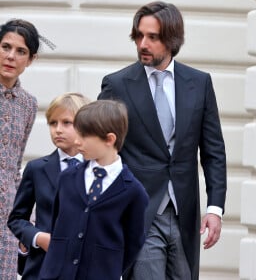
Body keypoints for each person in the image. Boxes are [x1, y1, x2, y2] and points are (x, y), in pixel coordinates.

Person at [97, 1, 227, 280]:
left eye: (153, 37)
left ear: (172, 39)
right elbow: (100, 147)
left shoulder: (199, 83)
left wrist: (215, 208)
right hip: (139, 213)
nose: (143, 44)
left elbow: (213, 151)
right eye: (139, 36)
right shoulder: (117, 84)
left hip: (185, 215)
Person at [38, 99, 149, 280]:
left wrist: (108, 269)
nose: (76, 140)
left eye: (83, 136)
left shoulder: (134, 192)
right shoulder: (67, 178)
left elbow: (133, 243)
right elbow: (56, 226)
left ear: (109, 139)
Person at [7, 92, 90, 279]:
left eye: (66, 122)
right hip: (42, 268)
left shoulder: (98, 168)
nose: (58, 129)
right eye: (53, 123)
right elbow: (17, 219)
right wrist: (37, 238)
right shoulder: (36, 169)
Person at [0, 18, 41, 280]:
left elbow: (15, 165)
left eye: (21, 51)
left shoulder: (28, 104)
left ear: (31, 59)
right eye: (5, 47)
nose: (11, 56)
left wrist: (24, 218)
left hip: (6, 216)